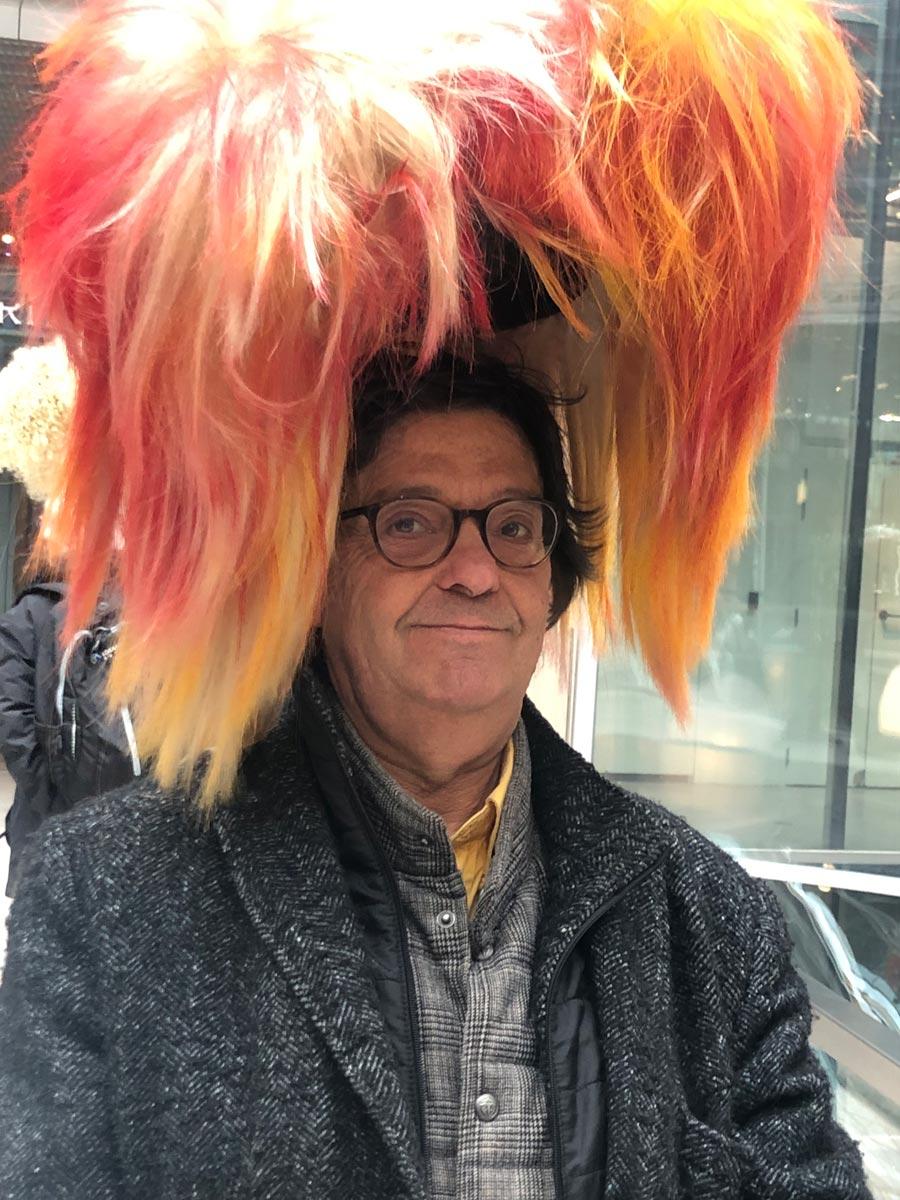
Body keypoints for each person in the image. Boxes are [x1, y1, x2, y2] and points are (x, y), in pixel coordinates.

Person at [0, 355, 872, 1198]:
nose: (476, 571)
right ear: (315, 572)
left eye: (514, 527)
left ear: (550, 584)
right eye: (411, 523)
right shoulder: (108, 895)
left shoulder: (707, 917)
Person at [0, 582, 141, 896]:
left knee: (52, 914)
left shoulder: (31, 612)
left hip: (47, 822)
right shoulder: (141, 609)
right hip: (132, 818)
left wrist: (51, 800)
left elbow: (13, 725)